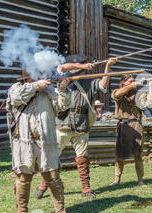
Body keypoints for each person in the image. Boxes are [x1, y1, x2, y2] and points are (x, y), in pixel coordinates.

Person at [35, 55, 117, 199]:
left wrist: (108, 66)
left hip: (81, 123)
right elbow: (62, 67)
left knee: (82, 158)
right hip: (63, 123)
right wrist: (82, 67)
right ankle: (43, 185)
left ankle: (86, 188)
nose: (83, 68)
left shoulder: (88, 81)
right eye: (79, 65)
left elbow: (103, 84)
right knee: (52, 156)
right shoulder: (61, 77)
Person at [7, 70, 71, 213]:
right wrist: (36, 85)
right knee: (23, 179)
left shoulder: (48, 91)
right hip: (23, 143)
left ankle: (61, 211)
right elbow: (16, 99)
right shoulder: (16, 88)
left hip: (46, 142)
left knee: (53, 177)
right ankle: (22, 212)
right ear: (26, 78)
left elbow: (62, 106)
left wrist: (62, 88)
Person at [109, 74, 152, 187]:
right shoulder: (118, 91)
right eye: (129, 81)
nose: (132, 83)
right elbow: (117, 94)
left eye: (133, 81)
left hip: (136, 124)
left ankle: (140, 180)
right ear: (123, 82)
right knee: (120, 155)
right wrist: (132, 85)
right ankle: (117, 179)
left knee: (137, 154)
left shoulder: (138, 94)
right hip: (124, 125)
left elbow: (150, 103)